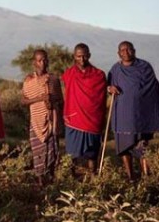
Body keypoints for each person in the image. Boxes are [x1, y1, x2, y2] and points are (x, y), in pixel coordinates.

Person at [107, 41, 159, 181]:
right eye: (122, 50)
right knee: (124, 147)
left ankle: (146, 176)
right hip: (122, 114)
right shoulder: (115, 69)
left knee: (142, 147)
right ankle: (130, 176)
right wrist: (110, 89)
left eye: (129, 49)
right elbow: (108, 85)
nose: (126, 52)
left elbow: (153, 87)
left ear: (134, 50)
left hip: (140, 115)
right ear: (118, 53)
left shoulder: (144, 67)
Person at [61, 43, 107, 176]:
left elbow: (102, 94)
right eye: (79, 56)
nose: (82, 59)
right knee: (72, 154)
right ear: (74, 56)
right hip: (74, 119)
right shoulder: (69, 74)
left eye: (85, 56)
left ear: (89, 56)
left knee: (92, 155)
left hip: (93, 120)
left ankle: (93, 178)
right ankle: (71, 179)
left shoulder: (99, 75)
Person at [22, 49, 63, 185]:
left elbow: (60, 100)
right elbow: (24, 100)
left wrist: (53, 103)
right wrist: (39, 98)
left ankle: (51, 182)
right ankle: (40, 183)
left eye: (45, 60)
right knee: (38, 153)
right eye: (39, 60)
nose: (43, 63)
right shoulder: (29, 80)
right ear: (34, 62)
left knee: (52, 152)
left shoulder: (54, 79)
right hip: (36, 122)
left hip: (52, 121)